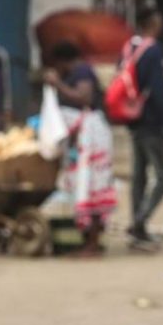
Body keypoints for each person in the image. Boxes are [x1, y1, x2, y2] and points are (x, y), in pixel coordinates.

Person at [43, 41, 116, 256]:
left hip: (93, 141)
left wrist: (58, 85)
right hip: (81, 141)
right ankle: (88, 240)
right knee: (81, 188)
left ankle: (92, 243)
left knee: (92, 188)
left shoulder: (82, 71)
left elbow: (84, 97)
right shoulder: (73, 74)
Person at [127, 7, 163, 251]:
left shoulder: (129, 48)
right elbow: (159, 92)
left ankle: (138, 228)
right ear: (153, 23)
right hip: (151, 122)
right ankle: (139, 223)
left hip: (133, 119)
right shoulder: (153, 50)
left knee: (139, 175)